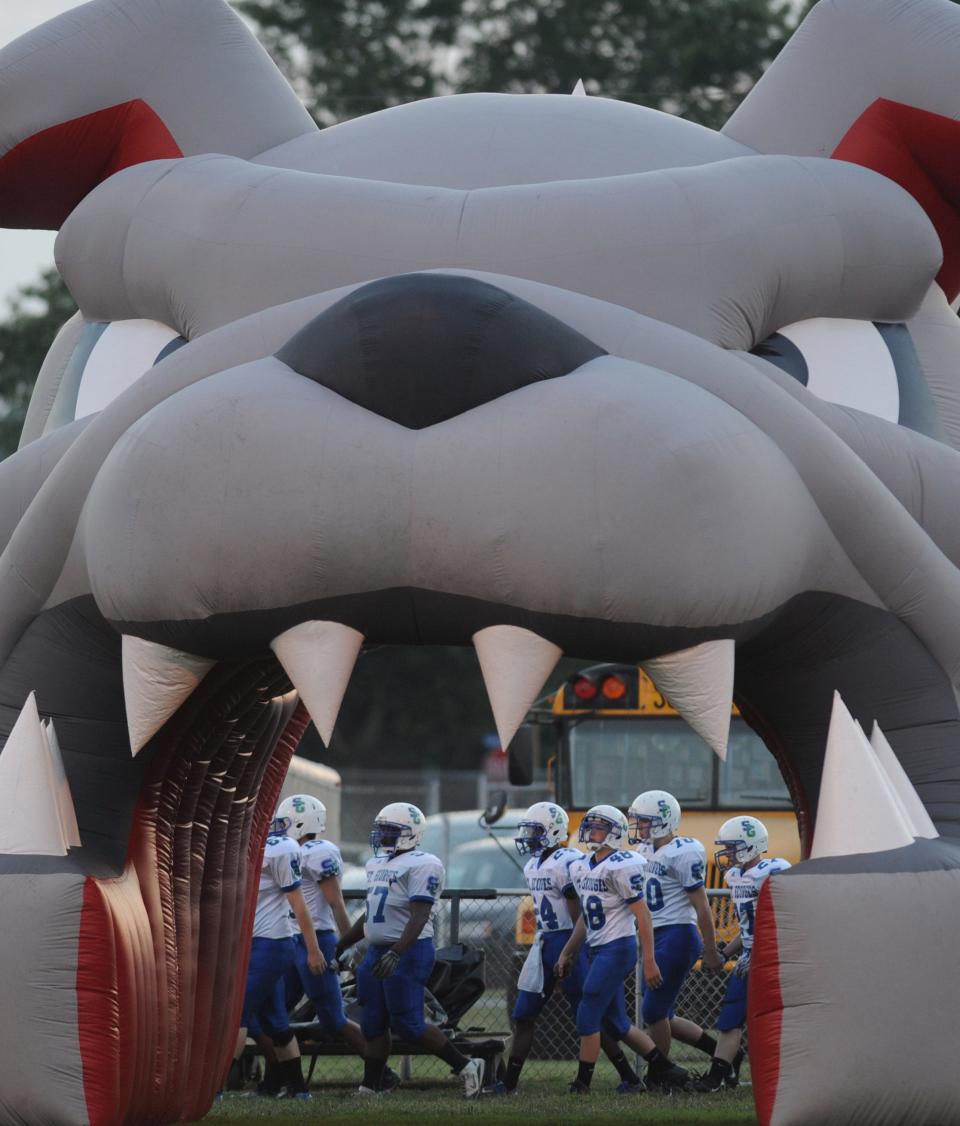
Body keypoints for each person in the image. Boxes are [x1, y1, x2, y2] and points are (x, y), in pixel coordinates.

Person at [335, 802, 483, 1098]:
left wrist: (398, 952)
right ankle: (372, 1084)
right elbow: (372, 912)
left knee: (409, 1023)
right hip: (378, 949)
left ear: (411, 833)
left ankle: (466, 1066)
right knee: (373, 1022)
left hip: (410, 950)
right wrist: (341, 944)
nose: (382, 836)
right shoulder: (377, 863)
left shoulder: (424, 863)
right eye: (381, 829)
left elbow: (419, 914)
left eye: (390, 830)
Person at [503, 801, 646, 1095]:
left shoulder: (568, 861)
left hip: (570, 940)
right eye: (528, 830)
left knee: (590, 1016)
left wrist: (570, 952)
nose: (529, 836)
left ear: (553, 832)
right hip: (544, 941)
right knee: (523, 1014)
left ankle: (630, 1076)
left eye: (535, 830)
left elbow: (577, 912)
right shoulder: (534, 864)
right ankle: (508, 1084)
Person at [556, 804, 689, 1095]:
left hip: (617, 948)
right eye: (589, 825)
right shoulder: (580, 865)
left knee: (587, 1013)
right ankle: (667, 1070)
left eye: (599, 826)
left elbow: (643, 915)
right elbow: (585, 920)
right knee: (617, 1023)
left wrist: (650, 959)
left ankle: (582, 1084)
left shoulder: (622, 864)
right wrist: (568, 951)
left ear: (615, 833)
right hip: (596, 947)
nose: (591, 831)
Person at [276, 794, 402, 1091]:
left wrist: (348, 946)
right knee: (277, 1011)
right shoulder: (292, 849)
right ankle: (277, 1080)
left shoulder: (319, 851)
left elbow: (337, 905)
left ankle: (382, 1074)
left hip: (317, 940)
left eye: (286, 821)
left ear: (302, 821)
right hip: (294, 940)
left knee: (333, 1018)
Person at [627, 789, 724, 1082]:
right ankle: (725, 1054)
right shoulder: (645, 850)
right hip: (656, 936)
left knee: (653, 1011)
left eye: (644, 821)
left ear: (662, 821)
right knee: (665, 1015)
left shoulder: (684, 851)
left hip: (678, 934)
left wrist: (710, 949)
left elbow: (702, 907)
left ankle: (663, 1074)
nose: (639, 826)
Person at [693, 816, 791, 1092]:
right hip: (749, 954)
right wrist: (724, 952)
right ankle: (717, 1077)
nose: (727, 854)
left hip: (775, 954)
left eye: (732, 847)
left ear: (751, 845)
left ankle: (782, 1076)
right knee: (730, 1018)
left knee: (776, 1021)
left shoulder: (775, 870)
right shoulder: (733, 875)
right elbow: (747, 927)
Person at [233, 813, 325, 1099]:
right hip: (257, 943)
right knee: (276, 1022)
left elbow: (298, 901)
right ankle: (299, 1089)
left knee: (236, 1015)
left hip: (271, 943)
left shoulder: (282, 849)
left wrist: (313, 948)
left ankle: (214, 1089)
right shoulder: (249, 847)